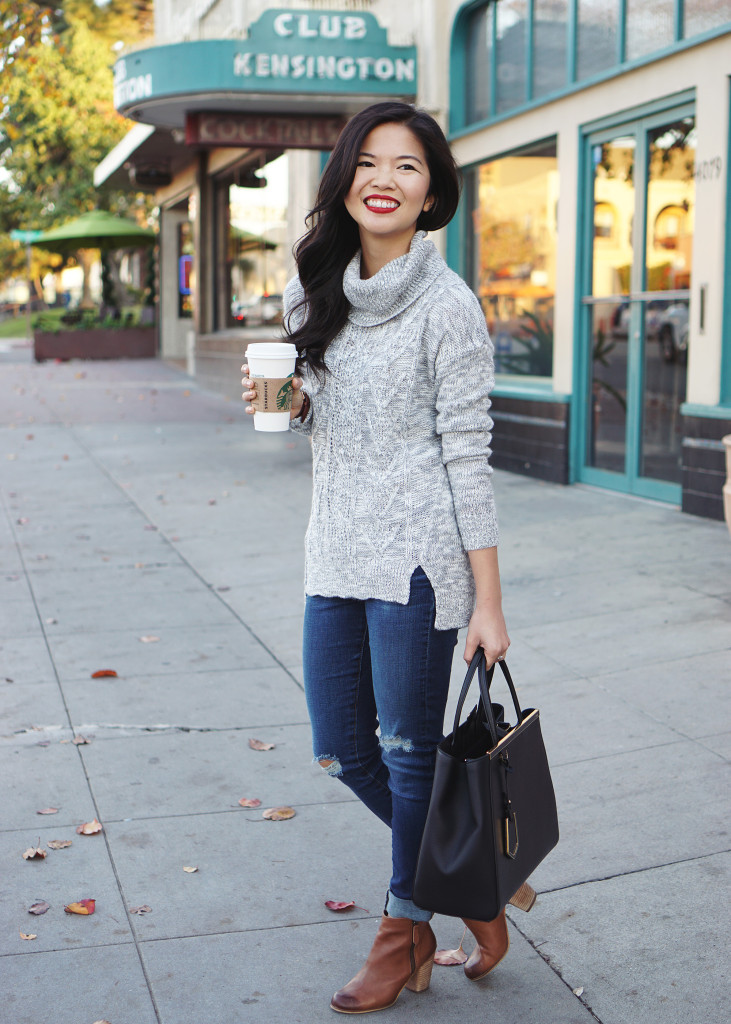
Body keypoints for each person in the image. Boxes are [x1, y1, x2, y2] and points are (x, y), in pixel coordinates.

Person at [242, 101, 522, 1014]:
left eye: (406, 166)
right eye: (367, 161)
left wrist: (487, 601)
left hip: (416, 566)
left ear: (431, 193)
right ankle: (473, 881)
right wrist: (290, 404)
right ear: (344, 179)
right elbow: (326, 425)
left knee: (406, 757)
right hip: (333, 553)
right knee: (341, 751)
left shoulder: (448, 307)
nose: (384, 179)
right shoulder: (312, 290)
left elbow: (467, 458)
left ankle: (401, 933)